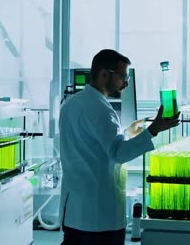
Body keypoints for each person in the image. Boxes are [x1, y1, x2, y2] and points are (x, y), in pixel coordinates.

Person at [59, 49, 180, 245]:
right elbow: (119, 153)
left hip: (73, 212)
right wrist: (154, 129)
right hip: (99, 218)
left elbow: (91, 144)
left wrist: (126, 132)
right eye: (123, 76)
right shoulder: (101, 109)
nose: (126, 82)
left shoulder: (71, 104)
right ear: (104, 74)